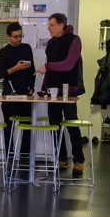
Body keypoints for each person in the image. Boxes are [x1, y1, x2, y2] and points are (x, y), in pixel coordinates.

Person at [37, 12, 86, 178]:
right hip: (53, 90)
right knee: (55, 126)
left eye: (51, 25)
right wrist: (44, 88)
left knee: (72, 125)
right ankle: (61, 159)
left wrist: (48, 66)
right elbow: (48, 70)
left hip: (69, 90)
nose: (48, 28)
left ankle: (79, 160)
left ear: (60, 25)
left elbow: (68, 64)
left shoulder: (74, 40)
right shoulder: (51, 43)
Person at [0, 22, 34, 159]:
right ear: (8, 37)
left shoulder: (27, 48)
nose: (19, 39)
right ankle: (9, 156)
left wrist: (32, 88)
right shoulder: (3, 52)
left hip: (25, 93)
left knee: (27, 127)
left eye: (20, 36)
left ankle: (25, 157)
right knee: (9, 126)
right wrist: (15, 68)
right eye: (15, 37)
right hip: (9, 94)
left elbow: (32, 71)